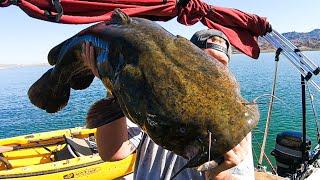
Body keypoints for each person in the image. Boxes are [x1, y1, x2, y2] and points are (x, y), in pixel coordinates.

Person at [93, 29, 254, 180]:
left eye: (221, 63)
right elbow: (112, 152)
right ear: (182, 60)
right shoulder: (150, 95)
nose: (214, 68)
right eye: (206, 58)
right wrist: (115, 85)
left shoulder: (237, 118)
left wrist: (221, 175)